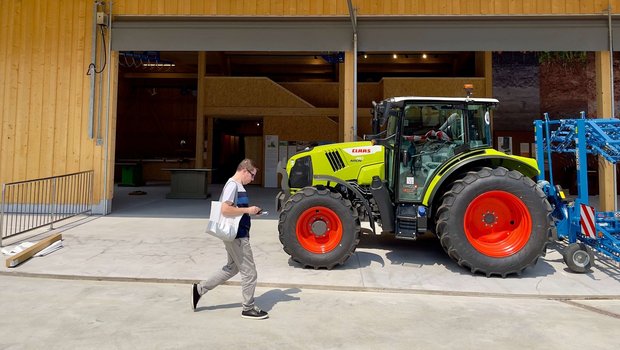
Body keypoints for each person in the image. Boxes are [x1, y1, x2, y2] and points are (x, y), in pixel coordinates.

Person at [191, 158, 268, 320]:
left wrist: (250, 212)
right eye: (252, 175)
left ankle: (199, 289)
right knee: (250, 272)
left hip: (236, 234)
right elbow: (226, 210)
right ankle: (248, 308)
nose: (253, 179)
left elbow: (235, 209)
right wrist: (248, 209)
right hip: (237, 236)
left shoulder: (236, 186)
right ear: (245, 171)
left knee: (232, 268)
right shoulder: (233, 185)